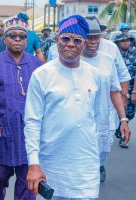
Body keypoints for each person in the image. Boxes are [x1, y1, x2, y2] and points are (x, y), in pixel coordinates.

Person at [24, 15, 128, 199]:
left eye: (77, 40)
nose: (70, 44)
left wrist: (121, 120)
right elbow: (32, 122)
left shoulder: (94, 75)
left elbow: (96, 117)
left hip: (85, 166)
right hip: (51, 164)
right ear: (57, 40)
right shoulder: (41, 75)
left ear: (84, 43)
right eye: (65, 38)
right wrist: (33, 163)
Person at [0, 17, 42, 200]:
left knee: (28, 186)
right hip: (2, 134)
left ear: (27, 39)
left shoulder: (37, 65)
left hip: (28, 137)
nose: (17, 39)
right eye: (12, 35)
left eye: (22, 36)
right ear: (5, 38)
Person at [81, 17, 130, 182]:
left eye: (96, 36)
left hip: (106, 110)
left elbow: (120, 78)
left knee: (103, 146)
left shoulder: (110, 52)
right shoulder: (73, 56)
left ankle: (100, 165)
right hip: (81, 114)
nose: (93, 41)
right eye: (88, 37)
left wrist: (122, 108)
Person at [114, 33, 136, 148]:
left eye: (128, 40)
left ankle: (120, 129)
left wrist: (134, 92)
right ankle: (122, 136)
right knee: (118, 112)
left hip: (131, 88)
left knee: (130, 113)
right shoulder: (114, 55)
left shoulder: (134, 53)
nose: (126, 42)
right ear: (118, 43)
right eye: (123, 41)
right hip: (115, 89)